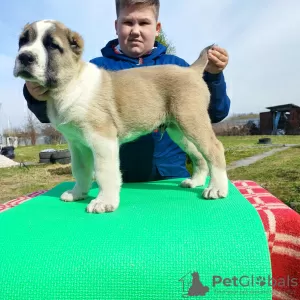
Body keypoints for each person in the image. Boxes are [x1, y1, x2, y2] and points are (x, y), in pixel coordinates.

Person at [23, 0, 231, 183]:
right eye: (128, 22)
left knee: (190, 132)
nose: (135, 30)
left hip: (170, 178)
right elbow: (56, 112)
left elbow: (215, 113)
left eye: (144, 23)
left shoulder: (177, 69)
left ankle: (211, 172)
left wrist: (212, 76)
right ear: (116, 26)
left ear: (157, 27)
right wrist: (35, 92)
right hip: (119, 178)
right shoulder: (95, 71)